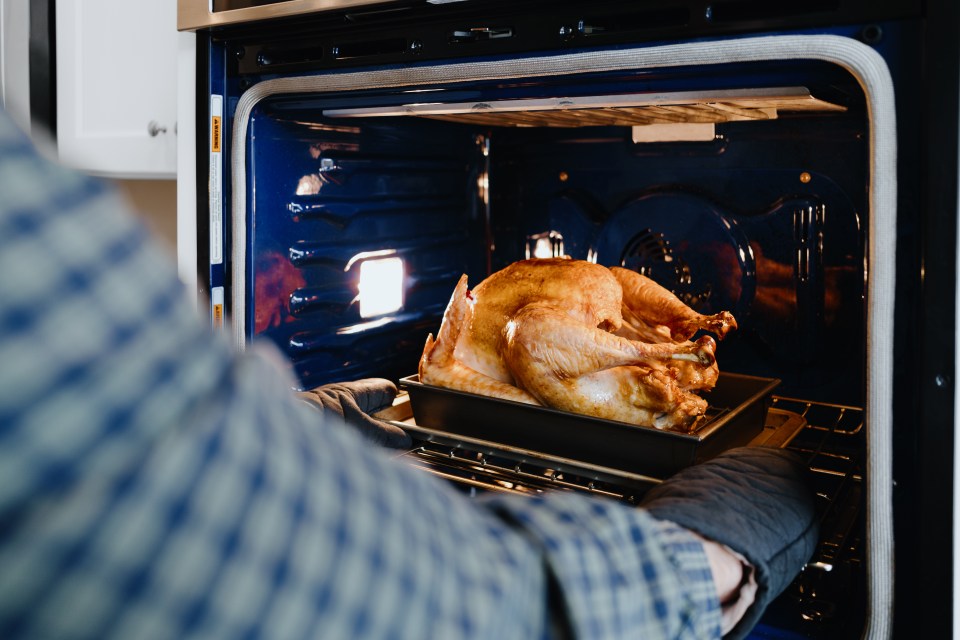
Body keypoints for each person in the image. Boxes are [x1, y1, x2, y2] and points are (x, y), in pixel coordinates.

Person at [0, 106, 818, 640]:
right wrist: (703, 560)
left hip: (563, 340)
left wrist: (286, 418)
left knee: (569, 324)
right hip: (548, 392)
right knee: (541, 336)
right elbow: (454, 611)